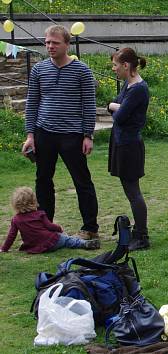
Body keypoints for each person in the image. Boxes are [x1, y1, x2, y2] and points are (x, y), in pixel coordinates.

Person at [21, 25, 99, 240]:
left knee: (82, 181)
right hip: (44, 132)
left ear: (67, 44)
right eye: (47, 42)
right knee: (43, 180)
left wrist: (87, 135)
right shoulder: (39, 69)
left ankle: (90, 227)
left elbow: (89, 105)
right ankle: (46, 226)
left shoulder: (82, 70)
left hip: (72, 135)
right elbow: (33, 103)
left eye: (55, 42)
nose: (50, 46)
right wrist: (30, 135)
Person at [107, 47, 150, 251]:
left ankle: (141, 236)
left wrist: (116, 107)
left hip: (130, 146)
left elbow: (119, 115)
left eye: (115, 65)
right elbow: (116, 105)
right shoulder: (128, 84)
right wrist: (117, 106)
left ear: (126, 66)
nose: (113, 69)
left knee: (133, 192)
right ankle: (138, 233)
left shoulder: (139, 89)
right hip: (121, 143)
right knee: (130, 191)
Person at [0, 187, 100, 253]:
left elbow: (11, 236)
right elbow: (50, 226)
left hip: (34, 245)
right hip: (51, 242)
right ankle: (83, 243)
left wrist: (4, 248)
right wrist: (59, 228)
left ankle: (79, 242)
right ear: (34, 201)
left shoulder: (16, 220)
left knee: (62, 238)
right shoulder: (40, 214)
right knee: (67, 240)